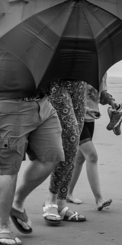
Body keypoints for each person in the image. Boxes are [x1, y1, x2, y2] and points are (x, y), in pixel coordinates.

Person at [0, 0, 65, 245]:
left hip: (41, 102)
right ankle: (2, 226)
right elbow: (14, 44)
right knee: (7, 168)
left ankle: (17, 202)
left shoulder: (44, 13)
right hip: (7, 104)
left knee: (53, 156)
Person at [67, 74, 122, 210]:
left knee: (80, 157)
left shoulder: (101, 70)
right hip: (74, 117)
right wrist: (83, 109)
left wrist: (112, 103)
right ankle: (99, 199)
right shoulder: (77, 69)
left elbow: (101, 96)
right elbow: (66, 94)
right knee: (92, 156)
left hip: (90, 118)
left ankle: (67, 192)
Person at [42, 79, 87, 225]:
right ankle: (51, 199)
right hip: (57, 83)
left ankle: (61, 202)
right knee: (71, 140)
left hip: (80, 83)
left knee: (73, 148)